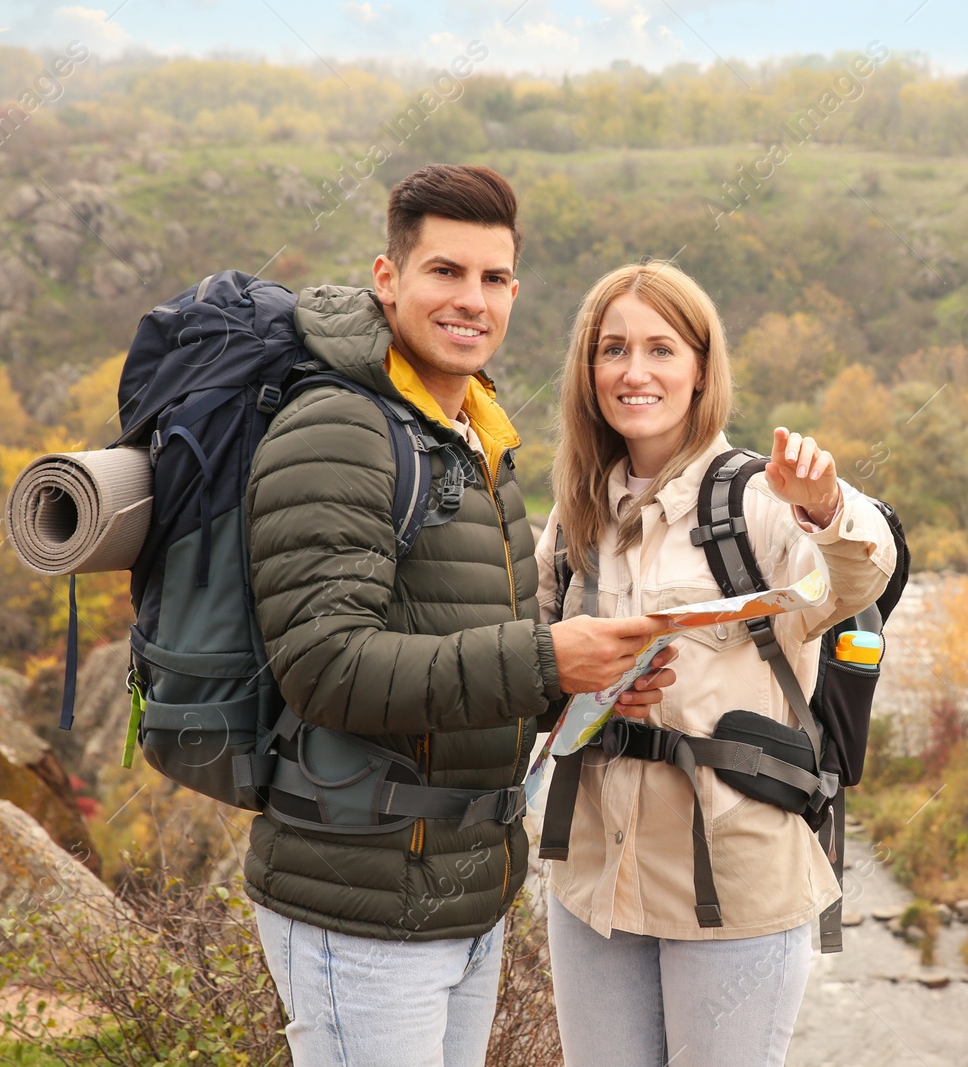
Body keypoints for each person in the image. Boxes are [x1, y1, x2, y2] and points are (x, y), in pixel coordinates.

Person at [242, 164, 678, 1067]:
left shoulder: (473, 437)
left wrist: (583, 692)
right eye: (445, 272)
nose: (470, 300)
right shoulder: (341, 430)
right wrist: (548, 660)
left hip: (458, 889)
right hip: (360, 899)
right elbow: (326, 667)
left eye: (492, 278)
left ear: (515, 290)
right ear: (387, 277)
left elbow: (456, 652)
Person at [535, 261, 897, 1066]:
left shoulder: (759, 502)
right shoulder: (575, 518)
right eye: (613, 348)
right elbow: (534, 665)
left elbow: (856, 576)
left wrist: (828, 506)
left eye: (662, 349)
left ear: (701, 370)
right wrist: (578, 688)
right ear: (587, 371)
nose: (635, 371)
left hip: (737, 883)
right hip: (591, 876)